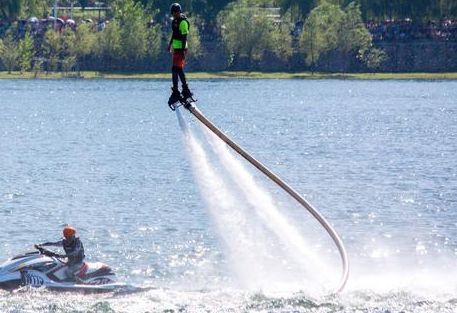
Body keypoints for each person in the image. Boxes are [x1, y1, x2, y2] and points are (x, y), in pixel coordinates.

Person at [167, 3, 195, 107]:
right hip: (176, 48)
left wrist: (183, 51)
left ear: (179, 12)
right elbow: (174, 34)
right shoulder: (174, 21)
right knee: (177, 69)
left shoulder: (183, 22)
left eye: (176, 12)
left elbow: (184, 37)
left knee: (176, 69)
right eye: (173, 13)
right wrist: (170, 45)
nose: (174, 14)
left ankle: (179, 91)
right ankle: (182, 90)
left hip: (181, 49)